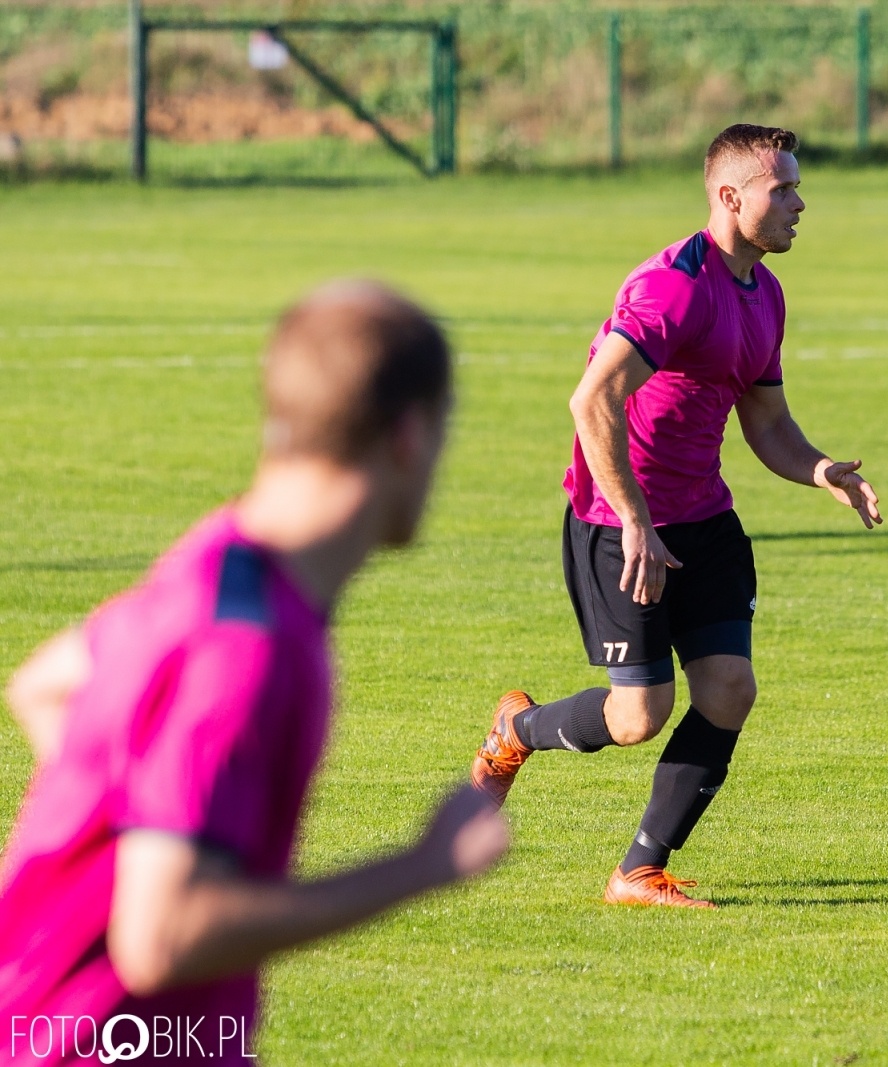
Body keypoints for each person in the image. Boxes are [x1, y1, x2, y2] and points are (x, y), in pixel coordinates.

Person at [0, 281, 509, 1066]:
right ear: (410, 436)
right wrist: (421, 866)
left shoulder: (218, 557)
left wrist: (123, 831)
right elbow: (161, 938)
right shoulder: (250, 649)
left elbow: (45, 683)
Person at [470, 123, 882, 908]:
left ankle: (637, 871)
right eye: (783, 188)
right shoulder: (673, 286)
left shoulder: (765, 293)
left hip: (703, 517)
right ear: (731, 197)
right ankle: (514, 734)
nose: (799, 202)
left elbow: (766, 424)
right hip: (615, 521)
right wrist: (633, 517)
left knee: (729, 689)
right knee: (637, 716)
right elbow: (593, 398)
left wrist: (820, 467)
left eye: (797, 185)